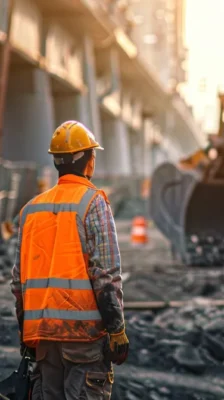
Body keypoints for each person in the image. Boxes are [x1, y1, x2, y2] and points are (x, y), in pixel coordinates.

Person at [10, 121, 129, 399]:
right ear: (89, 159)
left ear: (57, 163)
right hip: (83, 340)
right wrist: (117, 330)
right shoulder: (93, 202)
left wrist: (25, 336)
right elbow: (106, 275)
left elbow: (19, 283)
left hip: (43, 339)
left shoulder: (31, 210)